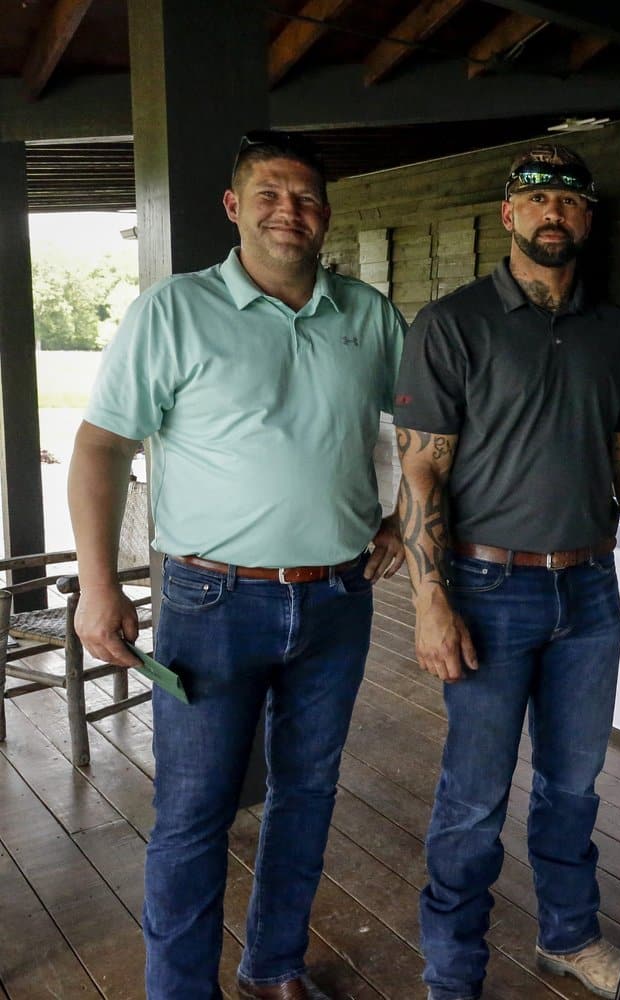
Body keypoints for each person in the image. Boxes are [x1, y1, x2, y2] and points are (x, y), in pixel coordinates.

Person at [70, 129, 408, 1000]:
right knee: (193, 812)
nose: (288, 212)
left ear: (326, 215)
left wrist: (405, 518)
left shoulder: (367, 316)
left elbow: (428, 431)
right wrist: (100, 583)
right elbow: (102, 446)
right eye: (269, 195)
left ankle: (276, 964)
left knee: (308, 794)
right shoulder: (173, 311)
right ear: (234, 207)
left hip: (339, 596)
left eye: (305, 198)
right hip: (210, 600)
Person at [393, 143, 620, 1000]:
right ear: (510, 215)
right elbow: (421, 474)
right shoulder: (452, 323)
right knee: (474, 797)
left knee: (573, 785)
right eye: (537, 199)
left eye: (569, 199)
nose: (554, 211)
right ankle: (453, 968)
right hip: (486, 590)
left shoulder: (615, 328)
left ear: (585, 218)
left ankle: (569, 935)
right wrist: (429, 602)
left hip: (590, 590)